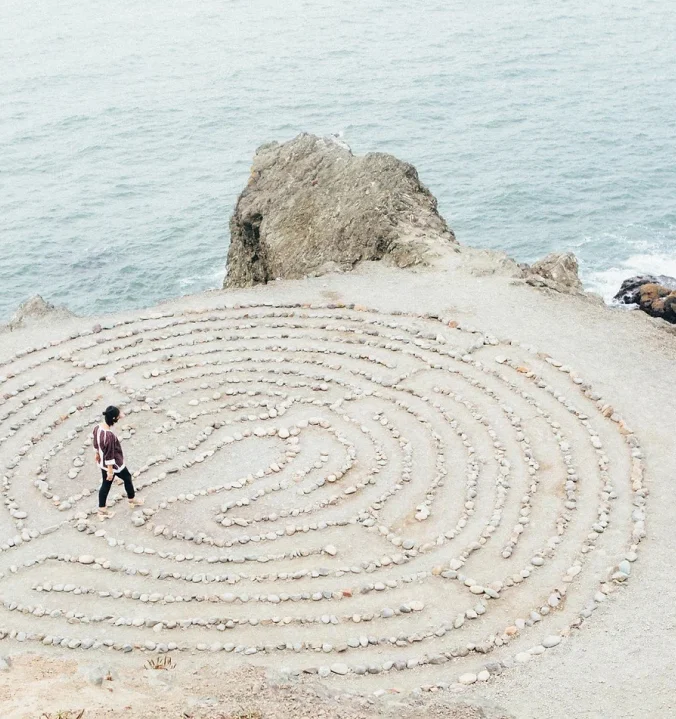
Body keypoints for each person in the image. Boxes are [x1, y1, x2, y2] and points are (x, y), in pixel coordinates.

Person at [93, 405, 143, 520]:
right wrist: (110, 471)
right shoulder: (109, 436)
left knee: (106, 485)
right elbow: (110, 454)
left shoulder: (98, 427)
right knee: (126, 478)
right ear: (114, 418)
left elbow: (95, 442)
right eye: (118, 415)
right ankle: (131, 499)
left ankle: (103, 509)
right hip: (114, 465)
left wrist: (96, 453)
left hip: (102, 462)